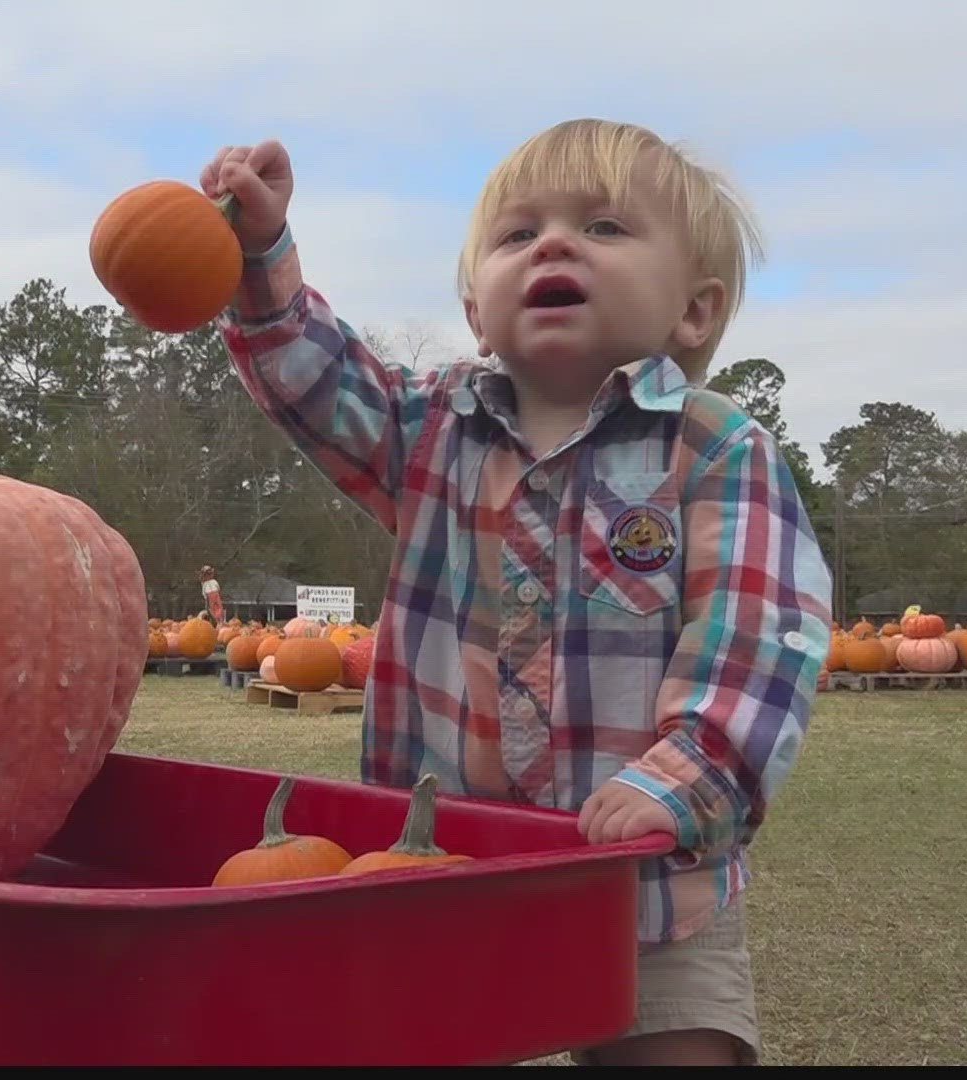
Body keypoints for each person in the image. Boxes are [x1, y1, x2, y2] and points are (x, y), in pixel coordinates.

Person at [202, 120, 834, 1065]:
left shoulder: (713, 449)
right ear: (474, 309)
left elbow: (758, 636)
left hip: (646, 884)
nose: (553, 244)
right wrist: (258, 253)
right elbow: (317, 381)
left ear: (693, 311)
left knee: (676, 1054)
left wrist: (688, 777)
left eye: (607, 227)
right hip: (444, 873)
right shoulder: (429, 436)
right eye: (516, 234)